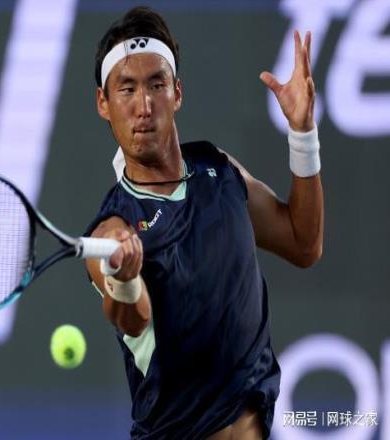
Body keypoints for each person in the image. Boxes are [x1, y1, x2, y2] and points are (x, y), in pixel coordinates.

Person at [84, 6, 323, 440]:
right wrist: (124, 277)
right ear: (104, 103)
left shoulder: (219, 170)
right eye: (127, 89)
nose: (144, 106)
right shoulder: (111, 230)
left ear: (177, 93)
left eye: (157, 85)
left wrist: (303, 133)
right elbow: (132, 318)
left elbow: (303, 243)